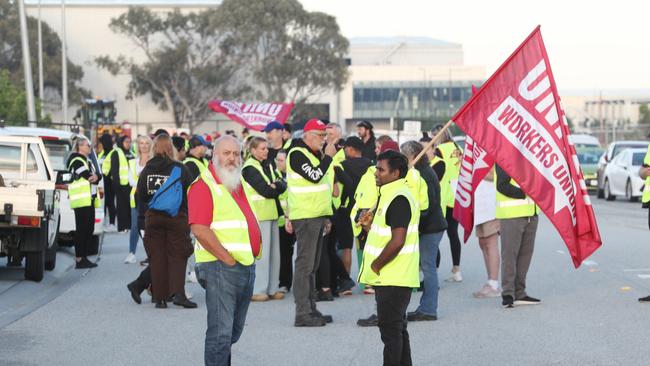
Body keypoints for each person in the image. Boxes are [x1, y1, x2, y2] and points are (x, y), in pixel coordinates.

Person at [189, 135, 261, 366]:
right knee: (221, 333)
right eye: (226, 153)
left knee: (232, 332)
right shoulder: (204, 185)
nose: (232, 158)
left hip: (244, 265)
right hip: (220, 267)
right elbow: (200, 229)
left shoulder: (237, 183)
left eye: (236, 154)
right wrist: (228, 260)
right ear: (214, 154)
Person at [359, 150, 420, 366]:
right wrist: (368, 226)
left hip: (394, 276)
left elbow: (398, 240)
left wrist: (376, 265)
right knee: (397, 329)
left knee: (391, 333)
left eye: (381, 169)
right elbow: (386, 232)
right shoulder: (390, 194)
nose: (376, 173)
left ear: (395, 173)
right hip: (394, 276)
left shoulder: (399, 198)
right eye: (376, 168)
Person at [136, 134, 196, 309]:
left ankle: (160, 298)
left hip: (153, 217)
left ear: (155, 148)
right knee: (178, 256)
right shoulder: (180, 168)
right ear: (171, 149)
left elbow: (141, 193)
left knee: (158, 257)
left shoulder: (147, 169)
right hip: (177, 218)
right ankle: (178, 294)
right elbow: (191, 191)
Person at [287, 118, 336, 327]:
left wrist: (326, 215)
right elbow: (315, 176)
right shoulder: (297, 153)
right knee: (304, 266)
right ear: (306, 136)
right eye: (319, 135)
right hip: (305, 216)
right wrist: (329, 159)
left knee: (312, 266)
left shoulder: (315, 154)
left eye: (324, 136)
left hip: (316, 215)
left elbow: (321, 188)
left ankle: (311, 308)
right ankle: (302, 313)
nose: (323, 140)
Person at [401, 141, 447, 322]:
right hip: (431, 226)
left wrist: (416, 227)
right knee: (427, 267)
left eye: (403, 155)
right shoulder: (422, 172)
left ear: (412, 156)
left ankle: (428, 309)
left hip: (430, 228)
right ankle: (426, 307)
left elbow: (427, 205)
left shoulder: (423, 174)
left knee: (428, 268)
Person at [242, 137, 287, 301]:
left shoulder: (268, 164)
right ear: (253, 150)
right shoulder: (249, 168)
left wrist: (276, 185)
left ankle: (272, 288)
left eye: (267, 148)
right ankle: (258, 289)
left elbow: (282, 183)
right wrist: (275, 186)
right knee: (262, 255)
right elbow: (265, 190)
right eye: (262, 148)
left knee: (275, 255)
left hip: (272, 213)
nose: (266, 151)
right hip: (259, 215)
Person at [495, 164, 541, 308]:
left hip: (531, 214)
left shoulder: (532, 158)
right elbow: (502, 185)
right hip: (512, 215)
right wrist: (526, 192)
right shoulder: (505, 156)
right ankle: (508, 294)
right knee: (510, 255)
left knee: (525, 255)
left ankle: (520, 292)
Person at [431, 125, 463, 282]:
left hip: (443, 196)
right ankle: (457, 270)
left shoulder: (440, 150)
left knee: (435, 234)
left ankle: (434, 270)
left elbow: (437, 172)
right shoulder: (458, 148)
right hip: (456, 195)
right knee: (453, 233)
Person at [67, 137, 101, 269]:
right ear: (80, 146)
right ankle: (80, 259)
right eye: (88, 145)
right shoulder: (75, 159)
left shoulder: (87, 160)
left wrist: (97, 176)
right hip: (81, 200)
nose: (90, 148)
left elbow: (98, 175)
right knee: (82, 230)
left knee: (89, 229)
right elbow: (89, 176)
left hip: (89, 199)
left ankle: (84, 257)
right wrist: (95, 177)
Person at [473, 170, 502, 298]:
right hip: (479, 206)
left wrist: (477, 170)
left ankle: (494, 284)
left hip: (491, 205)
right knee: (483, 243)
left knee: (491, 243)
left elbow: (494, 175)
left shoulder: (493, 153)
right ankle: (490, 281)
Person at [125, 135, 152, 264]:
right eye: (141, 143)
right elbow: (130, 181)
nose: (144, 145)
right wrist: (143, 181)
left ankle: (150, 255)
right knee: (135, 226)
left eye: (147, 143)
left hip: (151, 199)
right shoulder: (132, 162)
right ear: (138, 146)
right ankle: (131, 253)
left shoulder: (154, 161)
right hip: (136, 198)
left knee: (150, 227)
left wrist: (141, 180)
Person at [275, 150, 295, 293]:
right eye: (277, 159)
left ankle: (286, 282)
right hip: (278, 220)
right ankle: (281, 282)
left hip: (293, 218)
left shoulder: (294, 176)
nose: (278, 162)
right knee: (281, 254)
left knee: (289, 253)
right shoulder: (274, 175)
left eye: (281, 160)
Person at [104, 135, 133, 232]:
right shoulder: (116, 153)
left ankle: (129, 226)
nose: (128, 144)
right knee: (122, 207)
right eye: (126, 142)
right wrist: (117, 185)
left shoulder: (132, 153)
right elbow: (114, 170)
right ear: (121, 142)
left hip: (131, 185)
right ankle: (122, 227)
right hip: (121, 185)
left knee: (130, 207)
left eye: (129, 142)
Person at [99, 133, 117, 231]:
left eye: (102, 142)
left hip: (110, 181)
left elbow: (113, 168)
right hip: (102, 181)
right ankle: (104, 222)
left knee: (110, 202)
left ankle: (112, 223)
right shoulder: (102, 153)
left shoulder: (113, 153)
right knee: (103, 202)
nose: (101, 144)